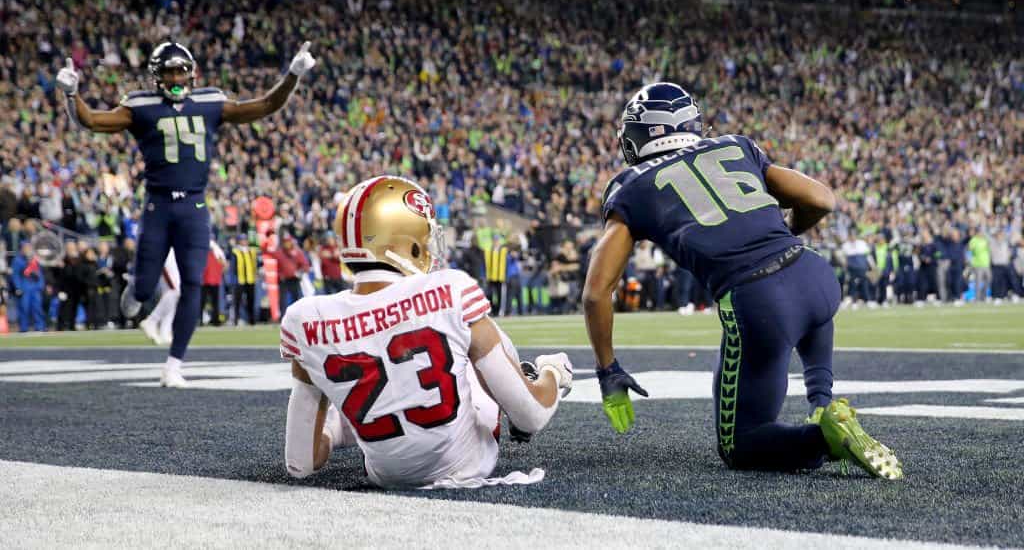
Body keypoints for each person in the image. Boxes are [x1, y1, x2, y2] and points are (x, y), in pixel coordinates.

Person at [582, 82, 902, 479]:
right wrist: (785, 237)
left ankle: (825, 439)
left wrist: (607, 369)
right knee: (810, 310)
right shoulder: (734, 145)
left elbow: (597, 291)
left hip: (759, 301)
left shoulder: (631, 185)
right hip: (814, 273)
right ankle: (823, 403)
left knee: (741, 445)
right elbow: (821, 199)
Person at [280, 175, 573, 488]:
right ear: (409, 242)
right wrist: (553, 372)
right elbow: (533, 414)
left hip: (384, 475)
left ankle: (345, 424)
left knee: (387, 381)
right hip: (468, 463)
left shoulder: (304, 318)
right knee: (481, 342)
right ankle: (524, 379)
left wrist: (324, 388)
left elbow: (301, 462)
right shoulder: (450, 289)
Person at [55, 40, 316, 387]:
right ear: (156, 76)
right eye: (169, 71)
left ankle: (174, 363)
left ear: (191, 74)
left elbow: (265, 105)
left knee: (192, 283)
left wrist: (293, 75)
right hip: (158, 206)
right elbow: (92, 121)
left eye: (181, 70)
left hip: (193, 206)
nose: (176, 77)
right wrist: (72, 96)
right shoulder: (142, 107)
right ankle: (136, 291)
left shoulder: (209, 103)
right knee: (145, 290)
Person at [139, 250, 180, 346]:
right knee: (176, 290)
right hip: (166, 249)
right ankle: (151, 321)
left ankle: (165, 332)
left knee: (171, 294)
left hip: (174, 248)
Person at [11, 241, 46, 333]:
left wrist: (40, 285)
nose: (27, 250)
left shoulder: (34, 260)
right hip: (24, 287)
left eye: (29, 248)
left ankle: (40, 326)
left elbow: (40, 274)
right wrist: (18, 287)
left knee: (37, 308)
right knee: (24, 308)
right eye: (25, 248)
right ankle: (23, 327)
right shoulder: (18, 260)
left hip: (35, 288)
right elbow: (15, 275)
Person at [230, 236, 259, 325]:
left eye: (245, 240)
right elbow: (233, 266)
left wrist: (256, 274)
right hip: (240, 279)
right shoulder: (235, 251)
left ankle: (252, 320)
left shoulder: (252, 251)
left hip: (250, 279)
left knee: (251, 300)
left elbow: (256, 264)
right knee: (237, 301)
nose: (244, 242)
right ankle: (236, 320)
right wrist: (234, 278)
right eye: (242, 240)